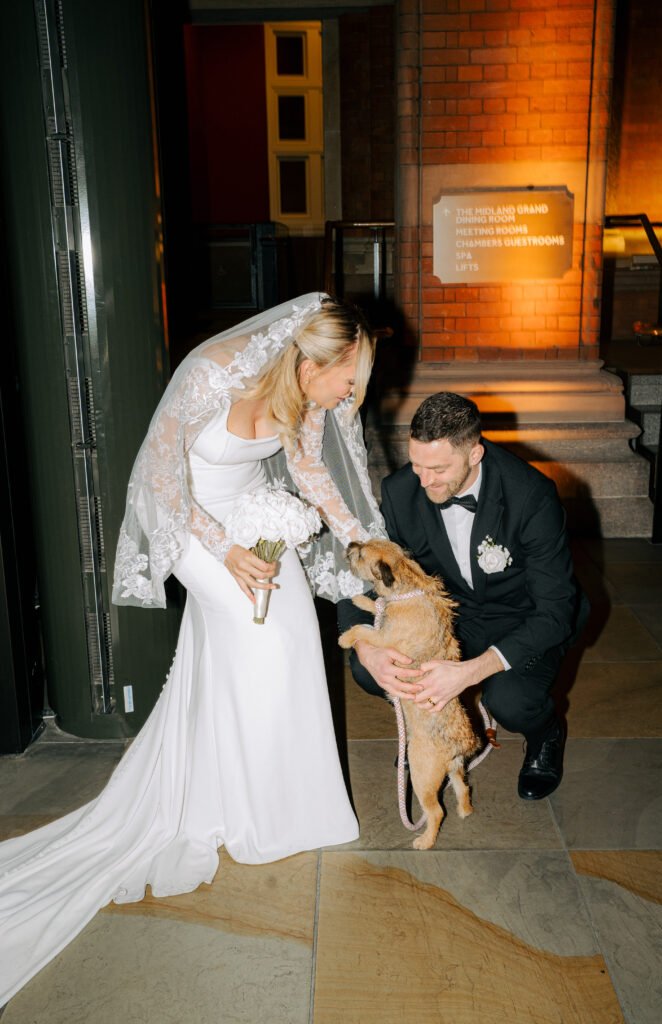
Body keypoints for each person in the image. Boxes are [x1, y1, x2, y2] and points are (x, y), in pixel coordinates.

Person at [0, 293, 386, 1005]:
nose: (351, 395)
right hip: (190, 528)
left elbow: (308, 472)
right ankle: (245, 811)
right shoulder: (210, 370)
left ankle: (293, 802)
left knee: (296, 637)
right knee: (253, 634)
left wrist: (361, 535)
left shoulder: (304, 401)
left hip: (249, 517)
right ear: (308, 364)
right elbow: (157, 478)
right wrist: (225, 550)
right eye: (348, 380)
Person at [340, 391, 588, 801]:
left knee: (510, 700)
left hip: (524, 617)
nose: (424, 481)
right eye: (417, 465)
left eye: (438, 469)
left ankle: (546, 734)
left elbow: (555, 611)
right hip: (452, 616)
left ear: (475, 453)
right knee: (370, 669)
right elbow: (370, 574)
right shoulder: (402, 490)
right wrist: (367, 649)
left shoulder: (531, 495)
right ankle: (427, 732)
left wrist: (471, 671)